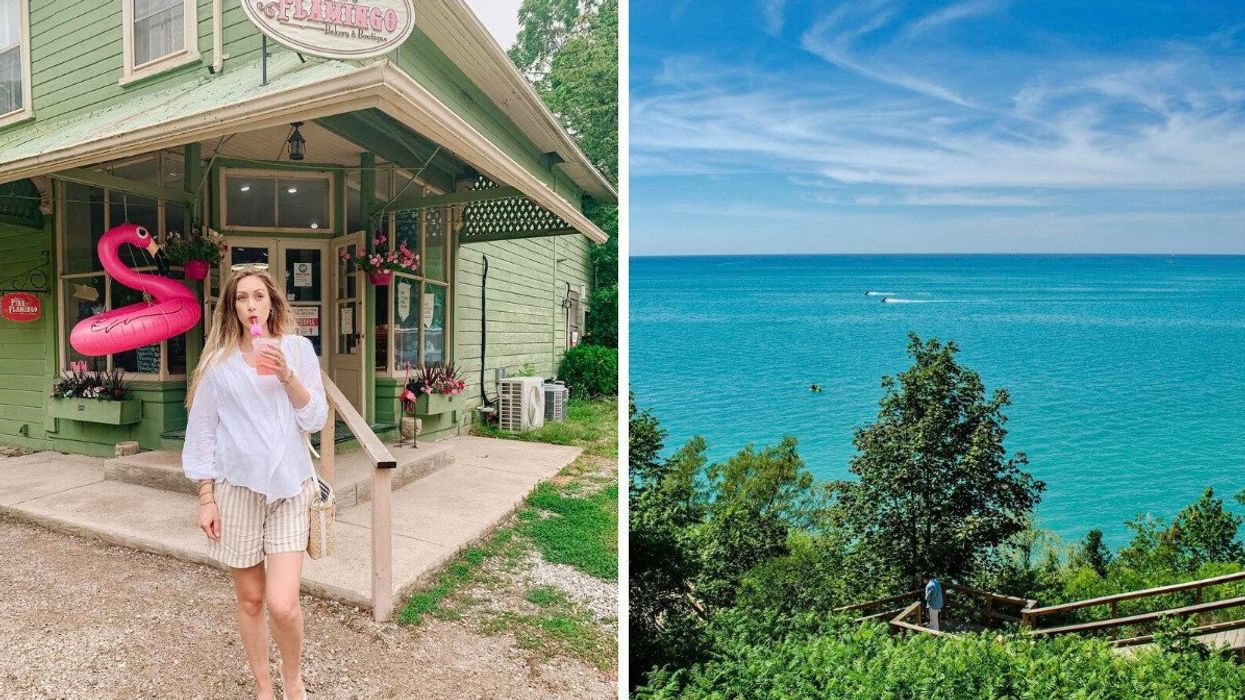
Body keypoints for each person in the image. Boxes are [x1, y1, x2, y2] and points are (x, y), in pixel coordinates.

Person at [182, 266, 327, 700]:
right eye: (242, 298)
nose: (251, 306)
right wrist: (206, 498)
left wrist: (285, 374)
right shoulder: (218, 365)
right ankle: (264, 687)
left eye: (258, 297)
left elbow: (315, 418)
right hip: (237, 492)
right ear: (232, 308)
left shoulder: (297, 349)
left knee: (283, 604)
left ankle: (293, 678)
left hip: (290, 489)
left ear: (271, 303)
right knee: (250, 599)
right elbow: (202, 434)